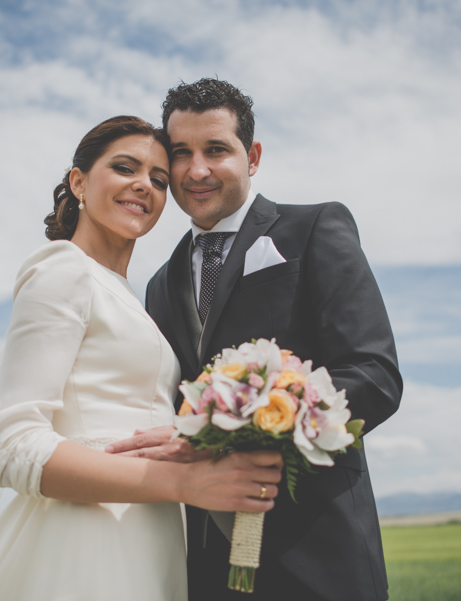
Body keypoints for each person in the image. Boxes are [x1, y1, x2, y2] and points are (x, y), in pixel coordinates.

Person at [0, 115, 283, 601]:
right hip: (88, 540)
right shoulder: (62, 269)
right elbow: (12, 447)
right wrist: (185, 483)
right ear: (78, 182)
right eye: (124, 167)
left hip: (151, 537)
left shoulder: (138, 298)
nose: (144, 185)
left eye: (157, 178)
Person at [107, 80, 403, 600]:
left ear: (253, 156)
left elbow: (374, 375)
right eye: (181, 154)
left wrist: (247, 430)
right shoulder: (159, 284)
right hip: (205, 566)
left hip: (319, 551)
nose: (197, 170)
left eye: (216, 149)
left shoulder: (313, 228)